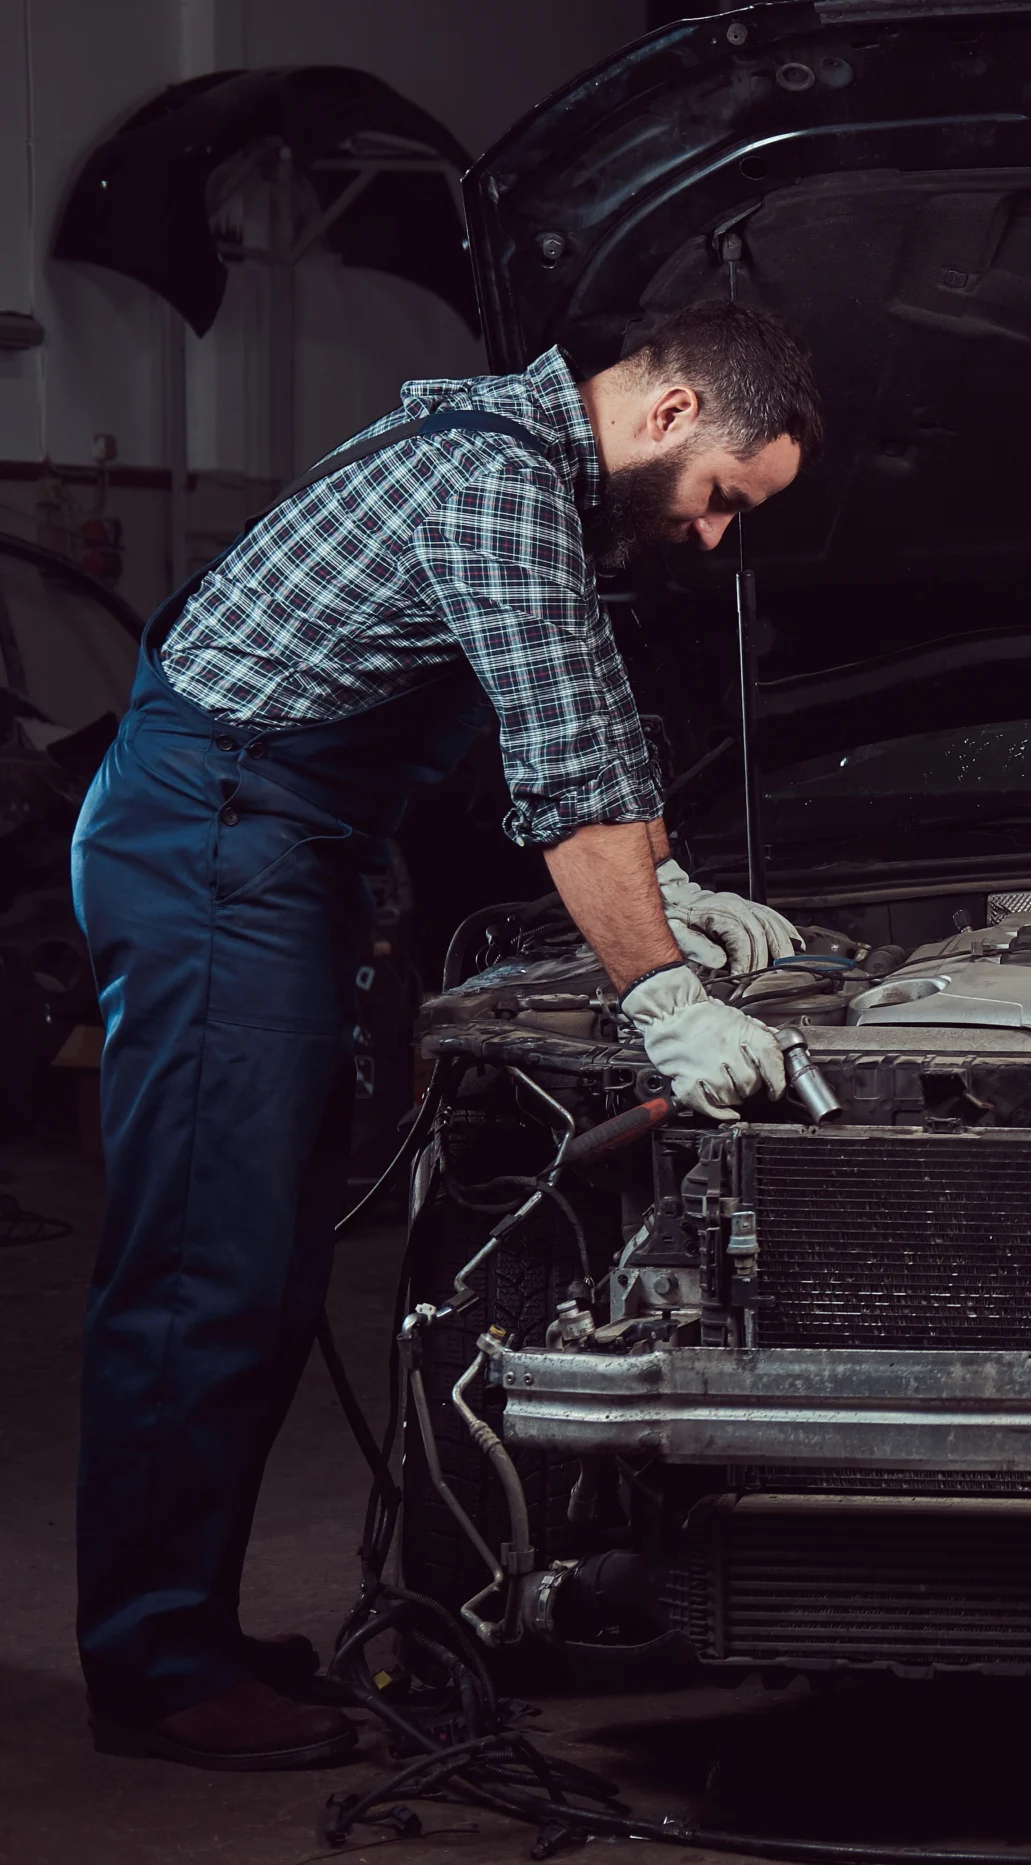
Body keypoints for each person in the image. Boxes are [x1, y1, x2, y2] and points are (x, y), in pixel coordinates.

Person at [71, 299, 824, 1770]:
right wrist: (663, 998)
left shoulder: (530, 474)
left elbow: (594, 720)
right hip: (216, 838)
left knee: (268, 1264)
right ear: (670, 416)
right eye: (727, 501)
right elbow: (563, 765)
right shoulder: (492, 482)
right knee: (200, 1272)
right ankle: (156, 1669)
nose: (719, 540)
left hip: (273, 845)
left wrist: (663, 886)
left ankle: (187, 1633)